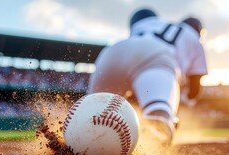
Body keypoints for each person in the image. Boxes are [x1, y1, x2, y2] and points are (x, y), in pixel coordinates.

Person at [88, 8, 208, 145]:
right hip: (157, 57)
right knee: (159, 120)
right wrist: (177, 106)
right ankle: (148, 145)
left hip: (113, 51)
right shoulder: (192, 36)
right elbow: (195, 89)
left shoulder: (148, 24)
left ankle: (73, 142)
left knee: (90, 111)